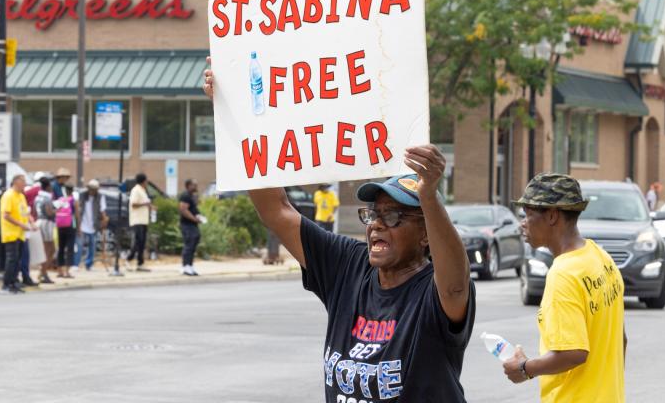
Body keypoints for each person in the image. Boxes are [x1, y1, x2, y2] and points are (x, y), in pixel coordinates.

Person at [203, 68, 476, 402]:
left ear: (425, 235)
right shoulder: (349, 266)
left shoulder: (432, 292)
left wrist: (429, 194)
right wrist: (235, 116)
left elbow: (456, 282)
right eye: (373, 214)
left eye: (392, 215)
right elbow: (278, 211)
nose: (376, 223)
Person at [503, 173, 627, 403]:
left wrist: (523, 368)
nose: (523, 223)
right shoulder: (601, 258)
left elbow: (573, 353)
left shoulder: (564, 274)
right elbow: (621, 339)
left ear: (552, 215)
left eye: (529, 214)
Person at [0, 174, 35, 294]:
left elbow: (25, 212)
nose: (25, 184)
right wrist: (21, 224)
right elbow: (6, 215)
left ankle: (14, 282)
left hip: (20, 234)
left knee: (18, 259)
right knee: (11, 259)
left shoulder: (21, 196)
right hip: (11, 233)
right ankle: (6, 284)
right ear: (16, 182)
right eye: (23, 182)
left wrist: (31, 222)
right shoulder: (9, 195)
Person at [76, 179, 108, 271]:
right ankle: (76, 264)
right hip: (82, 224)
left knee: (92, 246)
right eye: (91, 189)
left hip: (93, 225)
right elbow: (78, 209)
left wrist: (104, 219)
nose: (92, 191)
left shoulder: (100, 197)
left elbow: (102, 210)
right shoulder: (82, 195)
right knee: (79, 245)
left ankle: (88, 264)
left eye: (94, 189)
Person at [128, 173, 152, 272]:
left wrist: (150, 206)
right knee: (137, 242)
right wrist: (145, 204)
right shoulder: (136, 190)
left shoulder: (143, 191)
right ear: (143, 181)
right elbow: (133, 204)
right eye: (146, 180)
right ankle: (128, 260)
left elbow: (144, 203)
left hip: (143, 220)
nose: (147, 182)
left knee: (142, 243)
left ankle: (140, 263)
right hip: (137, 220)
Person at [178, 179, 202, 276]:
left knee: (194, 243)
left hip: (193, 224)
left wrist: (198, 216)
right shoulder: (185, 196)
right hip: (187, 224)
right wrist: (194, 219)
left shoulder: (192, 196)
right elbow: (183, 210)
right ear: (188, 185)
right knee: (189, 244)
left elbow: (193, 209)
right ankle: (185, 266)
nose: (196, 186)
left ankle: (190, 265)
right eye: (194, 185)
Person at [34, 178, 56, 284]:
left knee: (46, 249)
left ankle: (43, 272)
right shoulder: (47, 198)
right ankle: (43, 272)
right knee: (49, 249)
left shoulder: (38, 197)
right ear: (48, 186)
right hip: (46, 223)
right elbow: (49, 212)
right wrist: (58, 210)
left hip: (39, 221)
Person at [54, 184, 76, 278]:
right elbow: (77, 214)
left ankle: (60, 271)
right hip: (70, 226)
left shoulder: (60, 200)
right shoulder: (73, 200)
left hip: (60, 226)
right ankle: (67, 271)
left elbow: (55, 211)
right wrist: (78, 228)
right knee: (70, 248)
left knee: (61, 248)